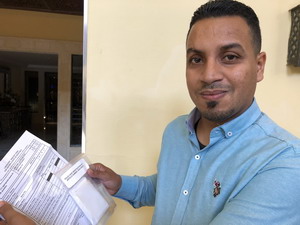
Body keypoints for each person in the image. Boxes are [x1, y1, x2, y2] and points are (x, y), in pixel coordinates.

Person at [89, 0, 300, 224]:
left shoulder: (285, 161)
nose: (209, 75)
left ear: (259, 66)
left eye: (230, 57)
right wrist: (119, 183)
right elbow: (169, 188)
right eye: (197, 59)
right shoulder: (175, 131)